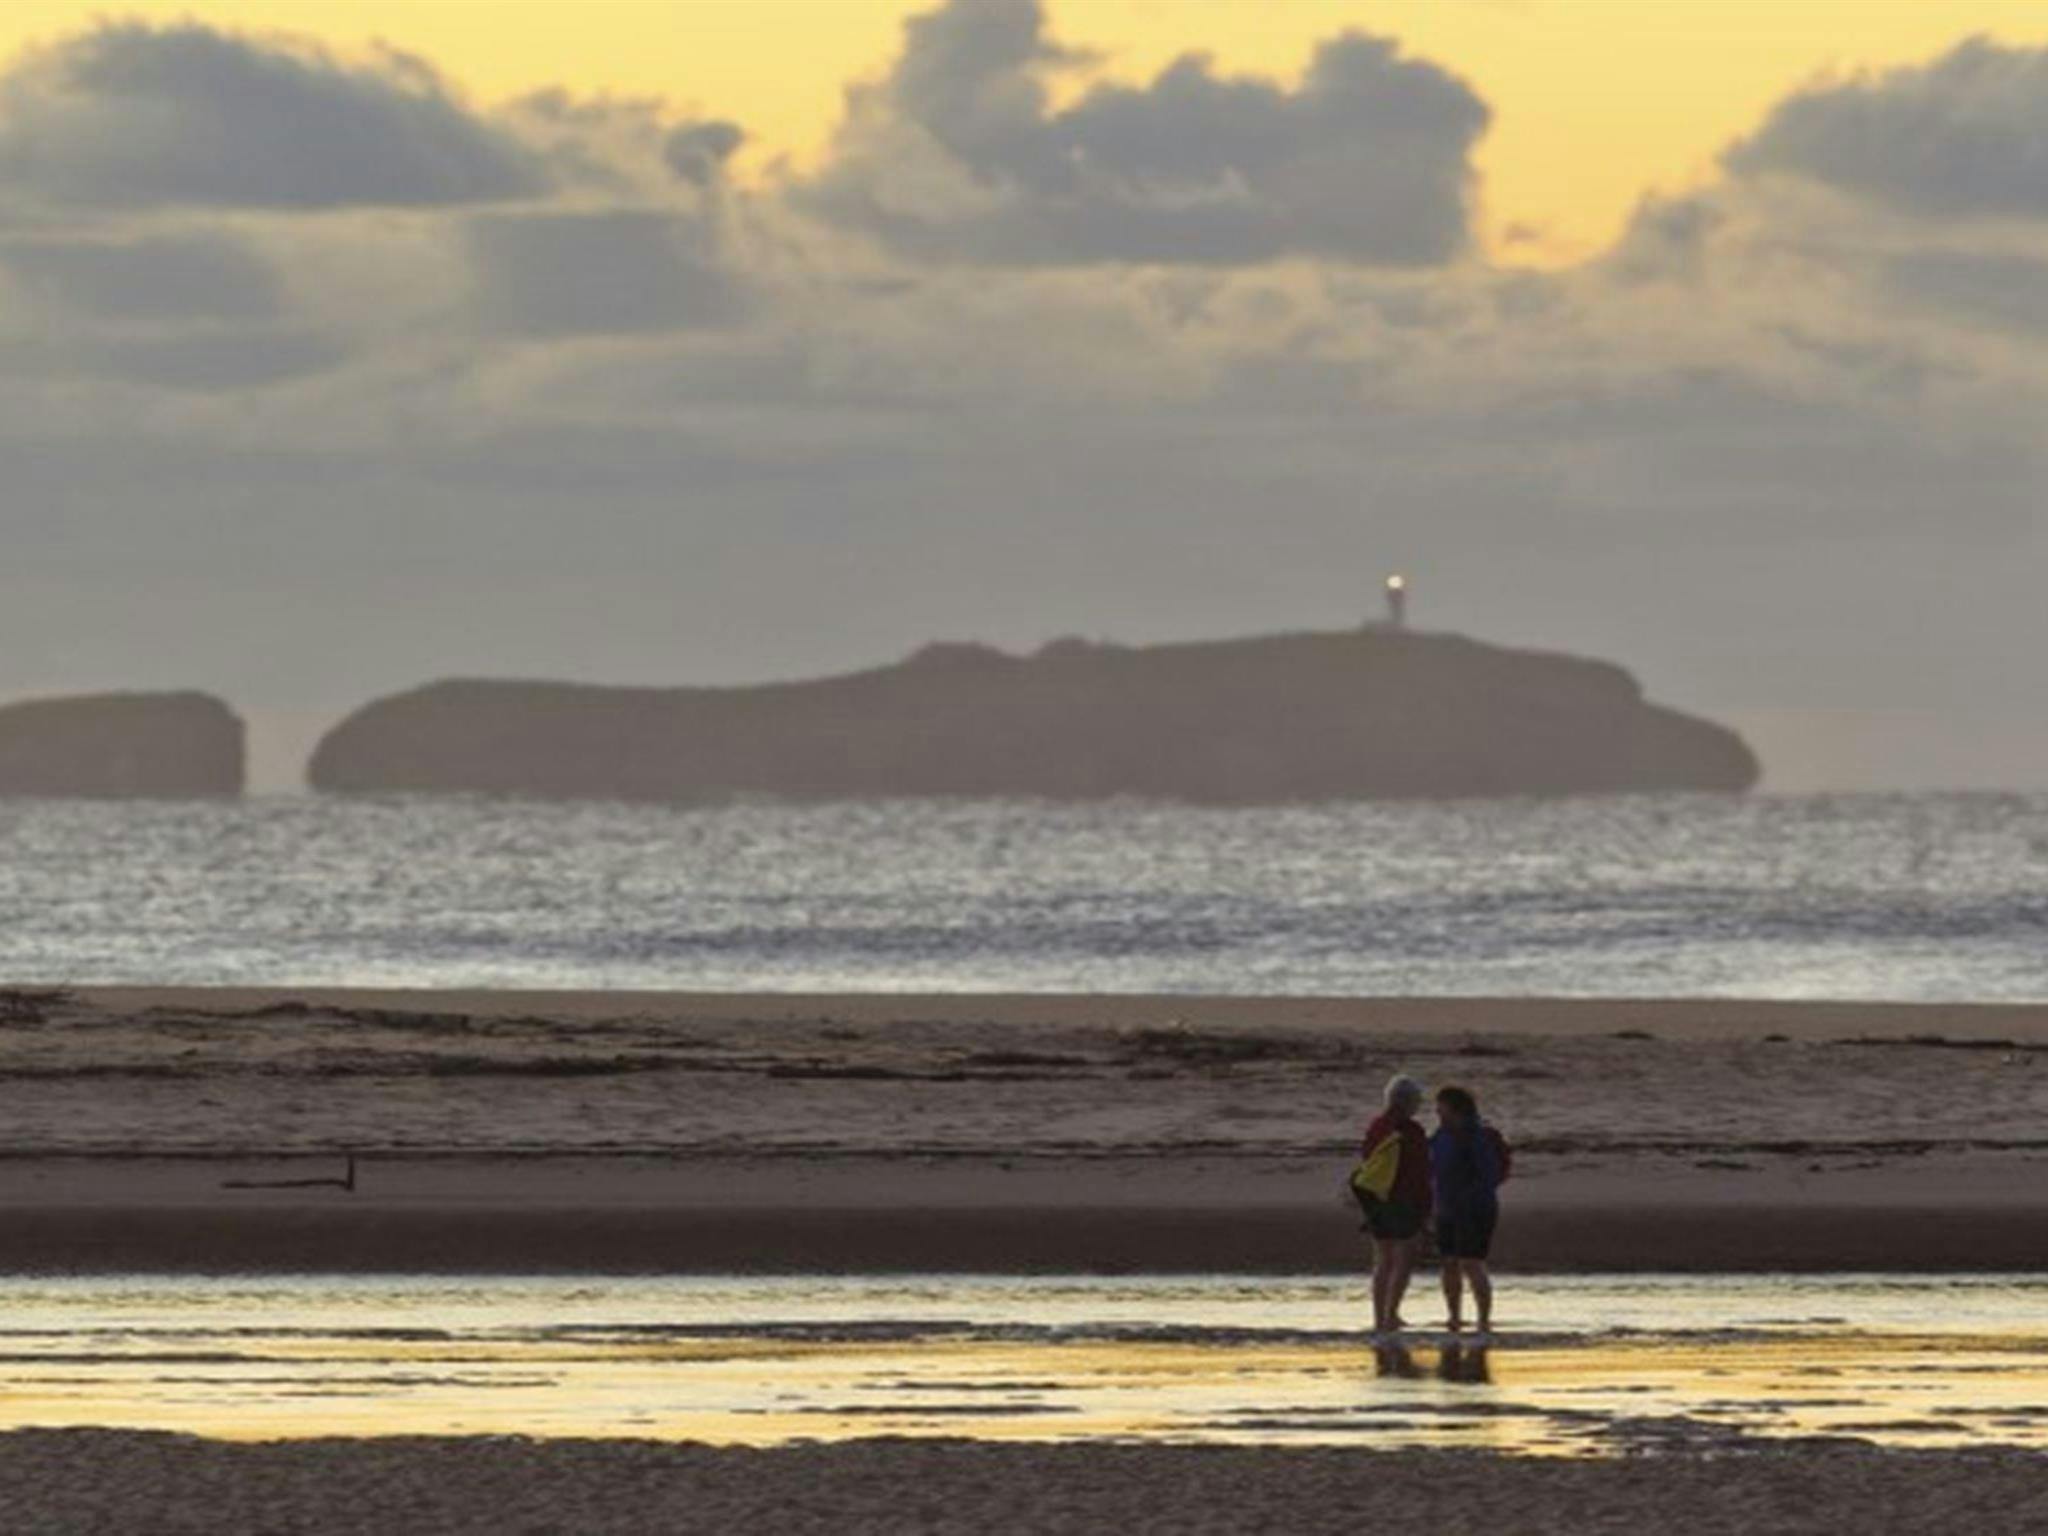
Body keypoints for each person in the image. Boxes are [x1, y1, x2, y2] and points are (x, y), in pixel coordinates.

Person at [1429, 1084, 1511, 1334]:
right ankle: (1454, 1317)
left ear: (1456, 1110)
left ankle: (1483, 1319)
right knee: (1449, 1263)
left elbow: (1489, 1175)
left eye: (1441, 1108)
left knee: (1472, 1263)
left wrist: (1466, 1198)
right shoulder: (1439, 1136)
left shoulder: (1478, 1137)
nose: (1438, 1113)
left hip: (1475, 1209)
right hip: (1446, 1208)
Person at [1359, 1073, 1432, 1334]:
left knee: (1382, 1259)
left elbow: (1367, 1159)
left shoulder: (1376, 1126)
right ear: (1410, 1103)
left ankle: (1381, 1317)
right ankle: (1392, 1313)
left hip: (1377, 1199)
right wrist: (1426, 1208)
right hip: (1404, 1200)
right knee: (1404, 1258)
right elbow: (1421, 1172)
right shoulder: (1412, 1131)